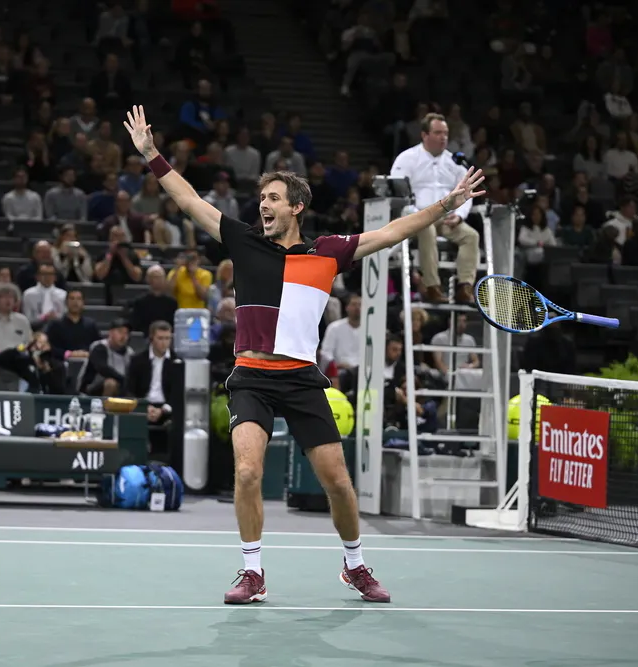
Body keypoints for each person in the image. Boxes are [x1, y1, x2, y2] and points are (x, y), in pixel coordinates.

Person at [123, 104, 484, 605]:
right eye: (261, 198)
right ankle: (253, 572)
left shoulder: (328, 251)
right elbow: (188, 200)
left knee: (338, 482)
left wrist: (446, 205)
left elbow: (392, 232)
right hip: (251, 375)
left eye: (272, 198)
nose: (263, 205)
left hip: (301, 379)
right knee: (247, 471)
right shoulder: (243, 240)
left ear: (296, 207)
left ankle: (355, 565)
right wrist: (151, 155)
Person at [389, 113, 482, 303]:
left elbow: (466, 193)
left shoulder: (454, 162)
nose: (443, 137)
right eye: (438, 133)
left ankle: (465, 287)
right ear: (425, 135)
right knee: (427, 229)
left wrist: (460, 216)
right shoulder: (407, 158)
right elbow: (397, 191)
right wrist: (418, 215)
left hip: (446, 217)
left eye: (445, 133)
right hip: (417, 217)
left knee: (471, 236)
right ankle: (432, 287)